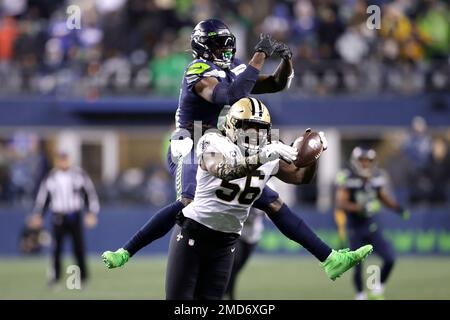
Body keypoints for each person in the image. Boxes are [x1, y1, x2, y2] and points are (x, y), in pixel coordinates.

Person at [102, 19, 352, 282]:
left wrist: (286, 60)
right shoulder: (197, 69)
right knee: (189, 202)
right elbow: (229, 95)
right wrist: (259, 55)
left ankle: (330, 258)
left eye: (227, 43)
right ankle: (125, 251)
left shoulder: (233, 66)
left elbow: (276, 84)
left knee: (272, 201)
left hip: (225, 142)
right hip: (191, 140)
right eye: (219, 44)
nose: (225, 50)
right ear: (203, 46)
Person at [104, 98, 373, 299]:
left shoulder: (268, 154)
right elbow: (225, 170)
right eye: (248, 127)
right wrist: (264, 156)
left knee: (276, 205)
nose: (254, 134)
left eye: (259, 128)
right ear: (232, 126)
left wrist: (312, 154)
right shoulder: (213, 141)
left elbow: (301, 177)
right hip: (192, 235)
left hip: (226, 243)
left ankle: (329, 258)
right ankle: (126, 250)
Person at [335, 147, 410, 300]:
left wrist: (398, 208)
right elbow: (341, 203)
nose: (365, 164)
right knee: (357, 265)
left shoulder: (375, 177)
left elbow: (382, 197)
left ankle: (377, 288)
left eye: (368, 161)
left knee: (389, 258)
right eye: (362, 160)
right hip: (355, 227)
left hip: (371, 226)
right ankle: (360, 295)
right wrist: (361, 207)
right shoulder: (349, 177)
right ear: (355, 162)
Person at [30, 152, 99, 287]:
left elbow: (89, 194)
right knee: (56, 248)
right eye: (60, 160)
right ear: (57, 161)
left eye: (65, 159)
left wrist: (92, 212)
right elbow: (43, 198)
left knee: (78, 247)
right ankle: (55, 278)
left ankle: (83, 278)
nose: (63, 162)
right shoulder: (51, 177)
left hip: (74, 215)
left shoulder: (79, 174)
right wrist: (38, 215)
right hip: (58, 216)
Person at [224, 208, 265, 300]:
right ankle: (231, 295)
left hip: (253, 236)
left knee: (238, 268)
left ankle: (226, 289)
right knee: (233, 266)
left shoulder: (261, 198)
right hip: (239, 235)